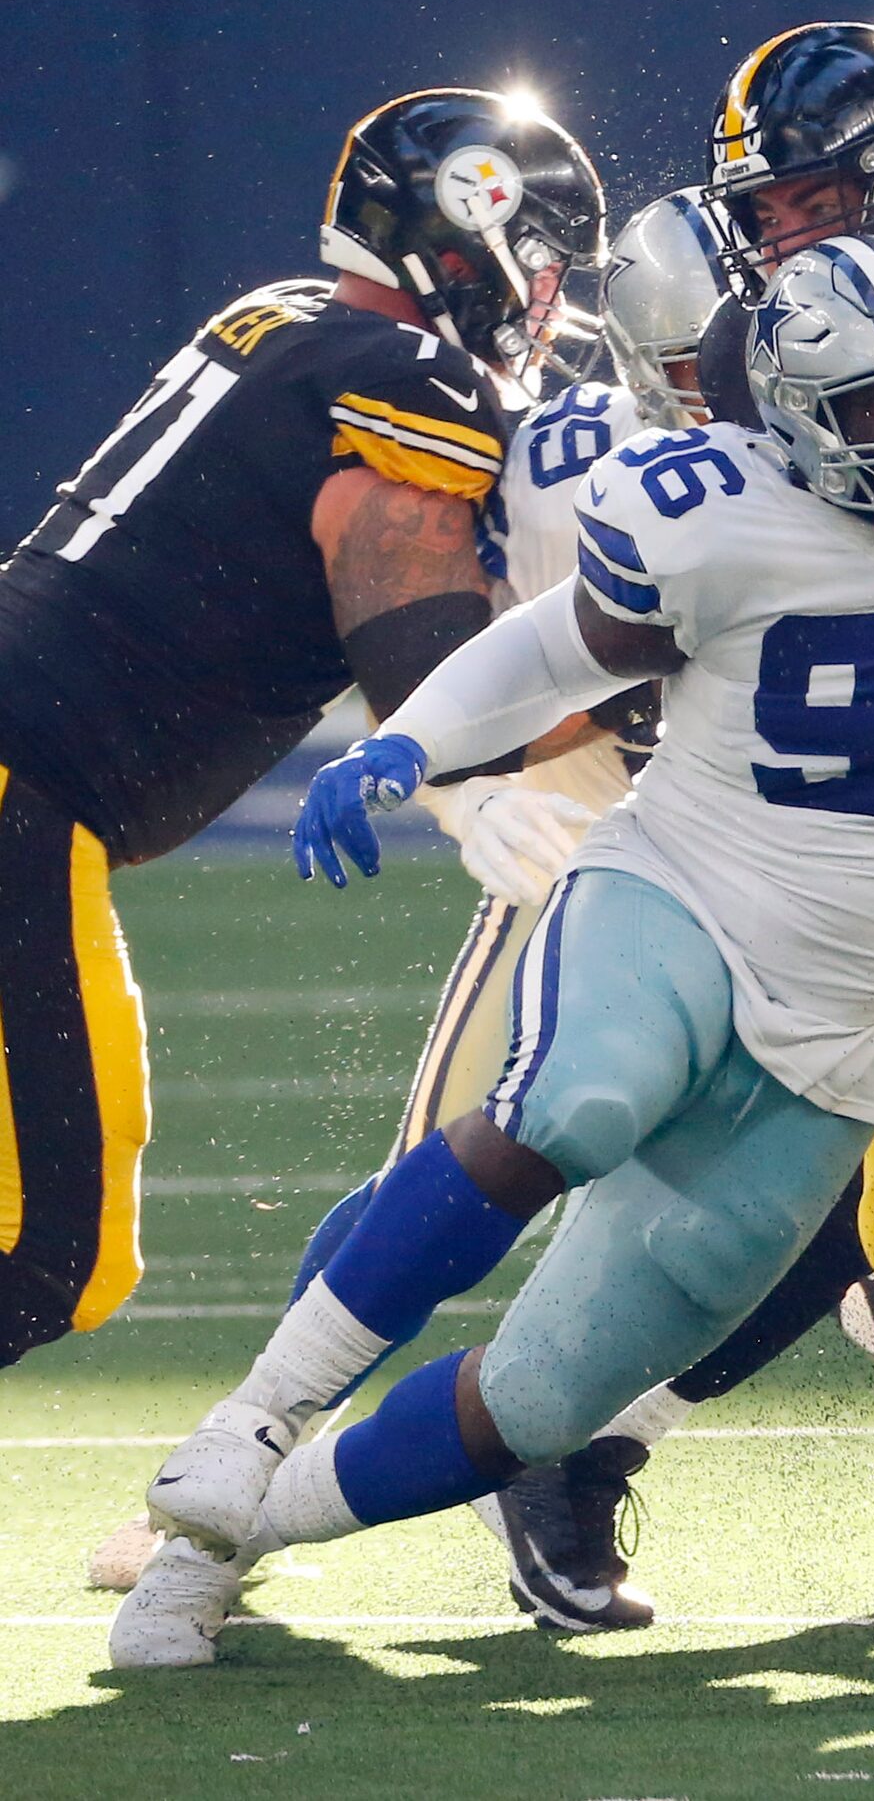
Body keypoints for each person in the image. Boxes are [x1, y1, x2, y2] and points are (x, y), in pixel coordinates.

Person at [112, 235, 874, 1668]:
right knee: (583, 1095)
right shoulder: (709, 506)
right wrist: (408, 741)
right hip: (684, 897)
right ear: (790, 413)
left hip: (849, 1029)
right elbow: (565, 646)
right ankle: (251, 1416)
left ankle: (219, 1545)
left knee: (544, 1397)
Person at [0, 89, 602, 1370]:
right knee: (54, 1256)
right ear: (471, 240)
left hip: (27, 770)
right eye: (539, 258)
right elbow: (402, 622)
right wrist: (480, 776)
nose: (547, 295)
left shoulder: (280, 316)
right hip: (21, 788)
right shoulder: (410, 377)